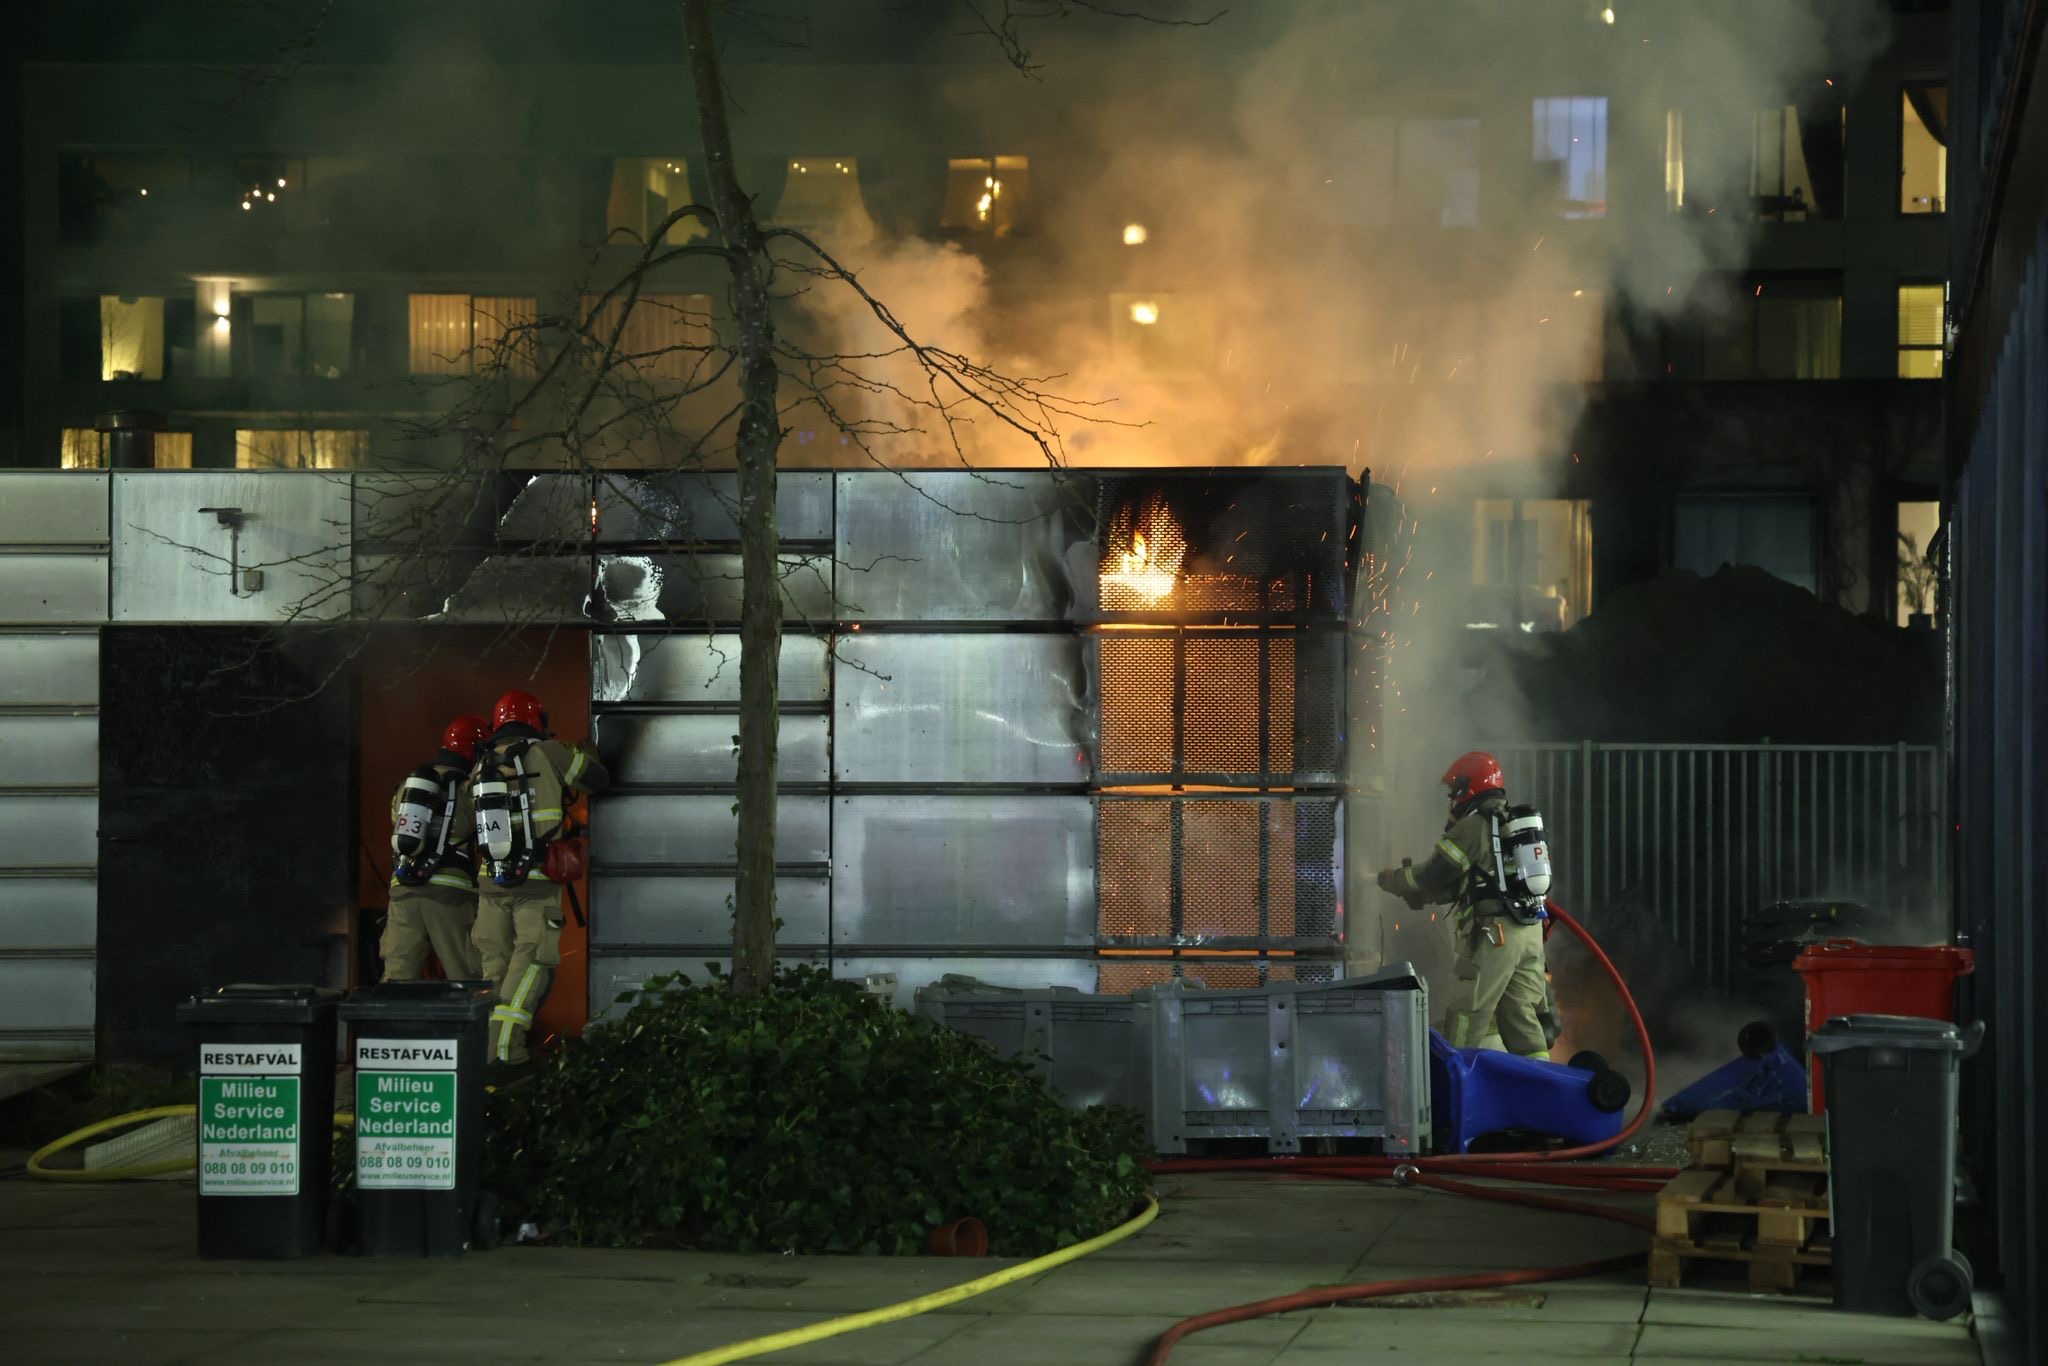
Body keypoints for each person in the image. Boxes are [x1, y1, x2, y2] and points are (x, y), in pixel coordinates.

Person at [1376, 750, 1555, 1059]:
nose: (1452, 800)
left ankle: (1459, 1087)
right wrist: (1426, 896)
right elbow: (1472, 883)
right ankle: (1542, 1092)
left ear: (1466, 787)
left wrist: (1394, 880)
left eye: (1454, 791)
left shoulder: (1473, 827)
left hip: (1494, 935)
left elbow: (1433, 874)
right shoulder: (1510, 824)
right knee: (1521, 1018)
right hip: (1529, 933)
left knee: (1466, 1014)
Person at [469, 688, 609, 1075]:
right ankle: (506, 1055)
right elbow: (598, 779)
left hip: (490, 883)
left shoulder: (480, 765)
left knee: (493, 970)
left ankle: (482, 1055)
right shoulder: (548, 752)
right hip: (535, 881)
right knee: (533, 961)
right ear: (536, 721)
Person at [381, 716, 489, 983]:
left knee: (397, 978)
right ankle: (468, 1027)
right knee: (467, 978)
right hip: (448, 895)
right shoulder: (466, 789)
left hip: (403, 891)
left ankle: (390, 1024)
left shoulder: (409, 785)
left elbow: (396, 819)